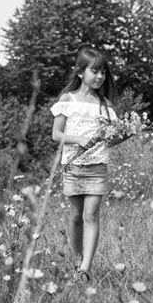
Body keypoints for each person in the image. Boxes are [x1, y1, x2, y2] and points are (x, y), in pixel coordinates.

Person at [51, 47, 119, 283]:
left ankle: (85, 269)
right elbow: (56, 135)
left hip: (97, 167)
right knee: (76, 216)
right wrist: (77, 139)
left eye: (103, 72)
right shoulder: (67, 100)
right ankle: (76, 260)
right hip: (73, 166)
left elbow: (111, 139)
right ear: (80, 72)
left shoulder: (105, 105)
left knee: (91, 215)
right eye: (95, 71)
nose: (100, 76)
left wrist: (125, 134)